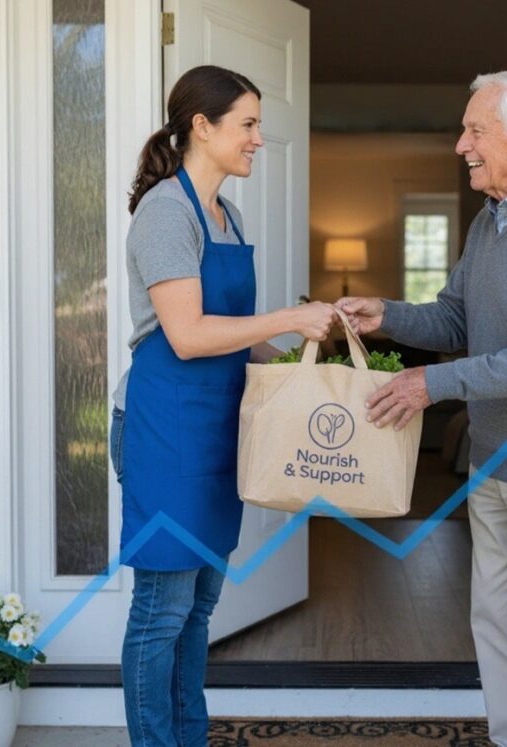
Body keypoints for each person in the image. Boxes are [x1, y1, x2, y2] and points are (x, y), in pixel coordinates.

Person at [337, 70, 507, 747]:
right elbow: (457, 318)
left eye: (475, 131)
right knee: (497, 626)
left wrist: (433, 385)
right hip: (493, 458)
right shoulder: (492, 221)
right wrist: (387, 315)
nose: (461, 145)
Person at [111, 65, 337, 747]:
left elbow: (234, 338)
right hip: (164, 432)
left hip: (216, 431)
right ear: (202, 127)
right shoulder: (166, 212)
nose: (258, 139)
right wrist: (287, 318)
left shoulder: (226, 216)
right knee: (163, 608)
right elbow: (187, 335)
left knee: (199, 607)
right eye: (248, 124)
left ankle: (189, 736)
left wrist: (306, 369)